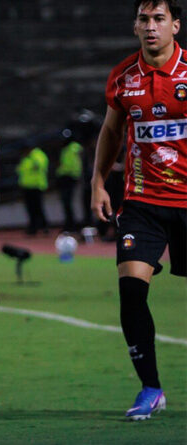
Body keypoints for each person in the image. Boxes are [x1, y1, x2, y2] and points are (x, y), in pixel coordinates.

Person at [91, 0, 187, 421]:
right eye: (144, 19)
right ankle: (150, 388)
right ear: (135, 26)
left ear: (175, 25)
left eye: (159, 19)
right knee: (131, 290)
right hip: (142, 203)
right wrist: (97, 182)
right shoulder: (123, 77)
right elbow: (112, 131)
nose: (151, 27)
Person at [17, 145, 49, 235]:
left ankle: (44, 226)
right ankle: (33, 227)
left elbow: (39, 166)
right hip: (27, 186)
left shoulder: (37, 155)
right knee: (30, 208)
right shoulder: (26, 158)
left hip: (36, 185)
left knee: (38, 207)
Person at [55, 138, 83, 232]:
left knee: (68, 201)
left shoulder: (74, 147)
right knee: (66, 202)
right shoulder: (64, 149)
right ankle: (70, 223)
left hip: (71, 176)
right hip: (64, 176)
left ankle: (72, 224)